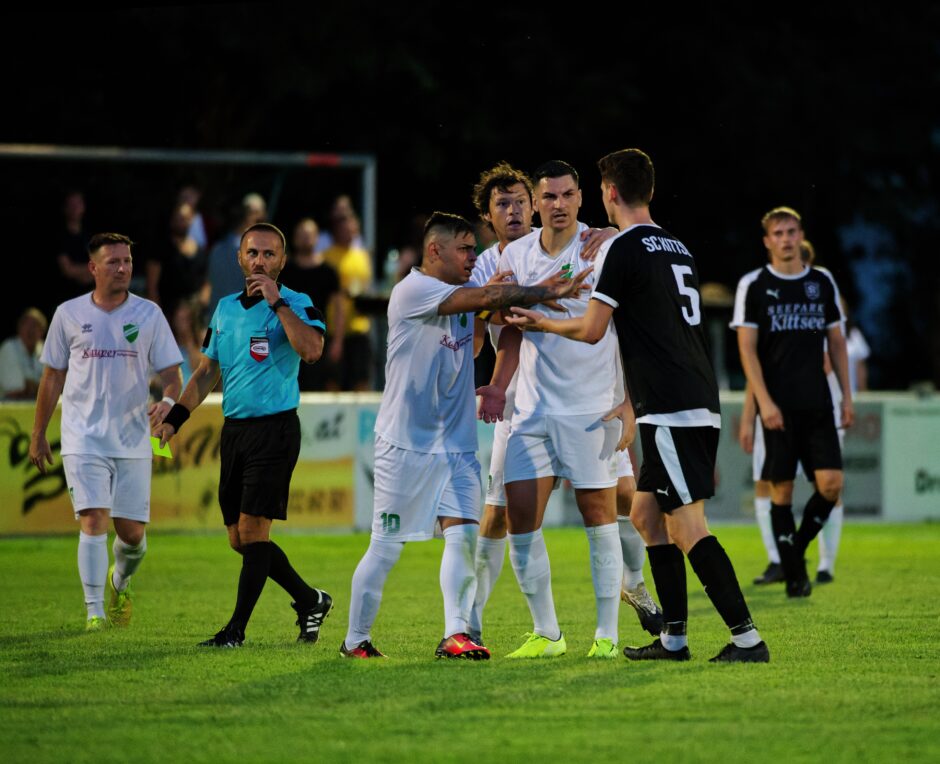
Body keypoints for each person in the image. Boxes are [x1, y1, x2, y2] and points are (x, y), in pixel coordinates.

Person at [508, 149, 768, 663]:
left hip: (673, 405)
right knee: (647, 517)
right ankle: (673, 639)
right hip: (683, 396)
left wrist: (542, 323)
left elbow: (590, 329)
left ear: (606, 193)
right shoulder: (677, 244)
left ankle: (747, 640)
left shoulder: (622, 248)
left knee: (689, 526)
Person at [341, 211, 591, 660]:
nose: (473, 257)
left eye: (475, 250)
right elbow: (487, 296)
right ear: (434, 250)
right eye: (465, 249)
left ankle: (456, 633)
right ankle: (355, 639)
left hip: (455, 445)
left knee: (463, 537)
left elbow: (476, 337)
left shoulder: (459, 296)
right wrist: (545, 289)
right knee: (385, 547)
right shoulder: (413, 290)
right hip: (406, 445)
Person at [468, 162, 660, 648]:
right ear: (538, 202)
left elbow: (636, 325)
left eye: (567, 195)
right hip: (527, 410)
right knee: (514, 516)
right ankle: (542, 632)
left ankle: (610, 628)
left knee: (613, 508)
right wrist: (494, 381)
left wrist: (632, 403)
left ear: (581, 198)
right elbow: (502, 322)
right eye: (547, 197)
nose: (556, 204)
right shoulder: (509, 258)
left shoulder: (606, 248)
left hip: (594, 406)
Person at [154, 223, 332, 648]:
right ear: (239, 257)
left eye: (270, 254)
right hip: (235, 432)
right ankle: (310, 600)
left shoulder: (298, 302)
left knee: (254, 532)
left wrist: (279, 305)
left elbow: (312, 350)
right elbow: (207, 371)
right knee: (239, 539)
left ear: (283, 261)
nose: (260, 261)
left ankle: (234, 631)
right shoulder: (225, 309)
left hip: (275, 430)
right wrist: (174, 418)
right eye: (253, 253)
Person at [29, 233, 183, 631]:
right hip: (83, 437)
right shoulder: (68, 313)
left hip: (134, 437)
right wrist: (38, 432)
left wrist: (167, 404)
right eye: (113, 261)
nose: (123, 268)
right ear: (93, 268)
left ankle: (121, 580)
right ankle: (95, 611)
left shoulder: (149, 314)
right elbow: (51, 377)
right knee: (93, 520)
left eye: (128, 261)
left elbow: (171, 375)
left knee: (131, 536)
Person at [731, 207, 853, 598]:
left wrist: (848, 396)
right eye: (778, 233)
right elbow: (747, 351)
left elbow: (836, 342)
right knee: (780, 494)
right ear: (767, 241)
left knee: (831, 485)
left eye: (791, 231)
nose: (786, 238)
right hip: (778, 409)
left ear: (801, 235)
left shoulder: (821, 281)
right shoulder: (754, 284)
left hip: (818, 403)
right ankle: (796, 575)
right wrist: (763, 404)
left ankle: (794, 551)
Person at [280, 218, 345, 391]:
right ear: (294, 239)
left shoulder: (328, 271)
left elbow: (338, 307)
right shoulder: (285, 271)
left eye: (309, 235)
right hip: (288, 339)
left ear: (317, 238)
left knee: (320, 386)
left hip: (319, 338)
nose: (306, 239)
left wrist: (337, 340)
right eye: (302, 235)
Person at [320, 196, 373, 391]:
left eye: (352, 226)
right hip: (333, 329)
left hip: (359, 327)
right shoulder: (326, 256)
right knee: (333, 382)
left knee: (361, 380)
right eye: (344, 227)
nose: (349, 231)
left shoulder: (363, 255)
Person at [0, 307, 48, 399]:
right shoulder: (9, 348)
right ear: (19, 328)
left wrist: (30, 385)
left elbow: (54, 387)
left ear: (42, 331)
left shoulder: (45, 350)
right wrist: (39, 386)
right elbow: (15, 390)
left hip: (36, 407)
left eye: (35, 325)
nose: (31, 329)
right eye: (26, 324)